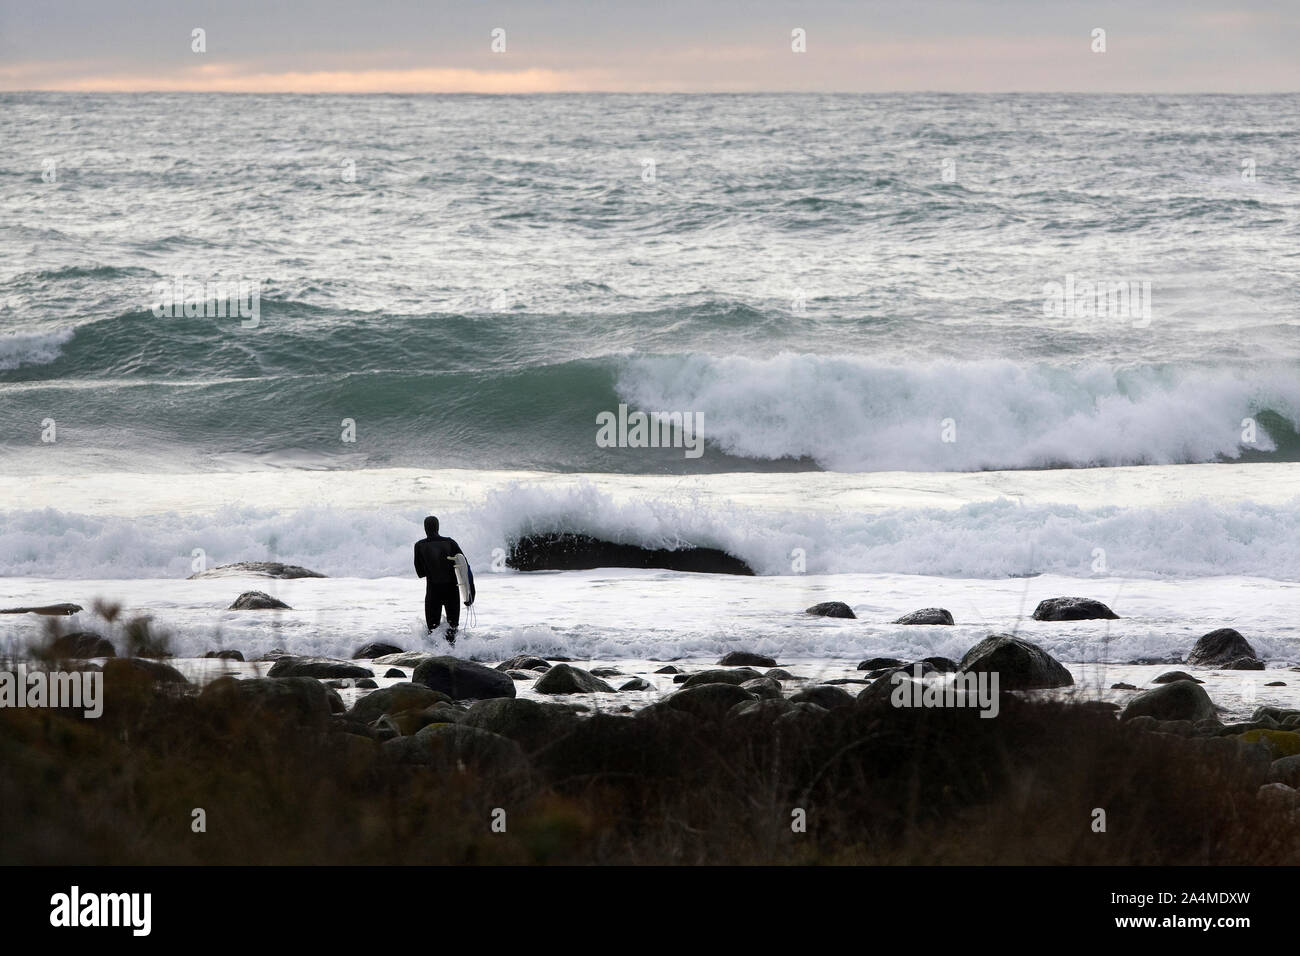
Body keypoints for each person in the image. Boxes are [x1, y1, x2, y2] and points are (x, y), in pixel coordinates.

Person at [413, 515, 474, 644]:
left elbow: (420, 573)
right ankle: (455, 656)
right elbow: (465, 567)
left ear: (425, 528)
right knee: (453, 630)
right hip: (451, 591)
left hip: (433, 592)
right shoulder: (450, 542)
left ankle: (435, 656)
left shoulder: (419, 546)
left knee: (433, 631)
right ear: (438, 527)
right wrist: (470, 594)